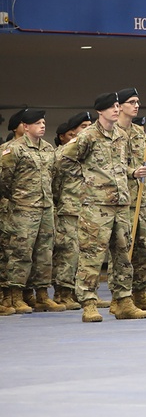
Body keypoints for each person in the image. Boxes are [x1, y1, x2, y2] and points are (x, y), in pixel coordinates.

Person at [62, 93, 146, 321]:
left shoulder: (121, 135)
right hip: (96, 205)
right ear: (100, 111)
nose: (115, 110)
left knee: (122, 255)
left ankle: (123, 301)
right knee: (91, 256)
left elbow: (120, 165)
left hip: (120, 204)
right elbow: (63, 159)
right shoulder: (88, 136)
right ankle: (89, 304)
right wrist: (86, 178)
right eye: (111, 107)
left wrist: (132, 173)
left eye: (117, 106)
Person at [0, 108, 63, 312]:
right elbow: (5, 180)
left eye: (44, 122)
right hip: (22, 208)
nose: (42, 126)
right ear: (26, 127)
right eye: (37, 123)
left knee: (44, 254)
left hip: (45, 208)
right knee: (20, 253)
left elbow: (53, 177)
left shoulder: (47, 149)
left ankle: (42, 295)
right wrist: (19, 199)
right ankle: (16, 296)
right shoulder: (13, 149)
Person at [115, 88, 146, 312]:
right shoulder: (112, 132)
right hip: (120, 201)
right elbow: (108, 165)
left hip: (141, 201)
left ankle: (139, 293)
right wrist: (131, 172)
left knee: (145, 250)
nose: (136, 105)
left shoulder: (139, 133)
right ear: (120, 106)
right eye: (132, 102)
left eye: (138, 101)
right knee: (122, 251)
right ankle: (120, 299)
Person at [51, 111, 92, 307]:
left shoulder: (88, 153)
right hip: (69, 209)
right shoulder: (63, 153)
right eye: (83, 127)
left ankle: (80, 291)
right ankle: (62, 293)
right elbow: (55, 183)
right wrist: (62, 204)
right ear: (73, 131)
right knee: (68, 252)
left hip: (87, 209)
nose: (88, 130)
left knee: (86, 253)